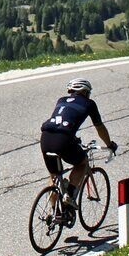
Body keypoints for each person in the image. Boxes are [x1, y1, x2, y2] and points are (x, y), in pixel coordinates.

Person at [39, 79, 117, 213]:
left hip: (45, 138)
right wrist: (109, 144)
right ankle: (69, 195)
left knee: (54, 175)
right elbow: (99, 127)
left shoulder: (61, 100)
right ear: (85, 92)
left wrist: (73, 138)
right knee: (82, 163)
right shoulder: (89, 104)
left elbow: (62, 120)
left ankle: (55, 213)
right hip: (63, 140)